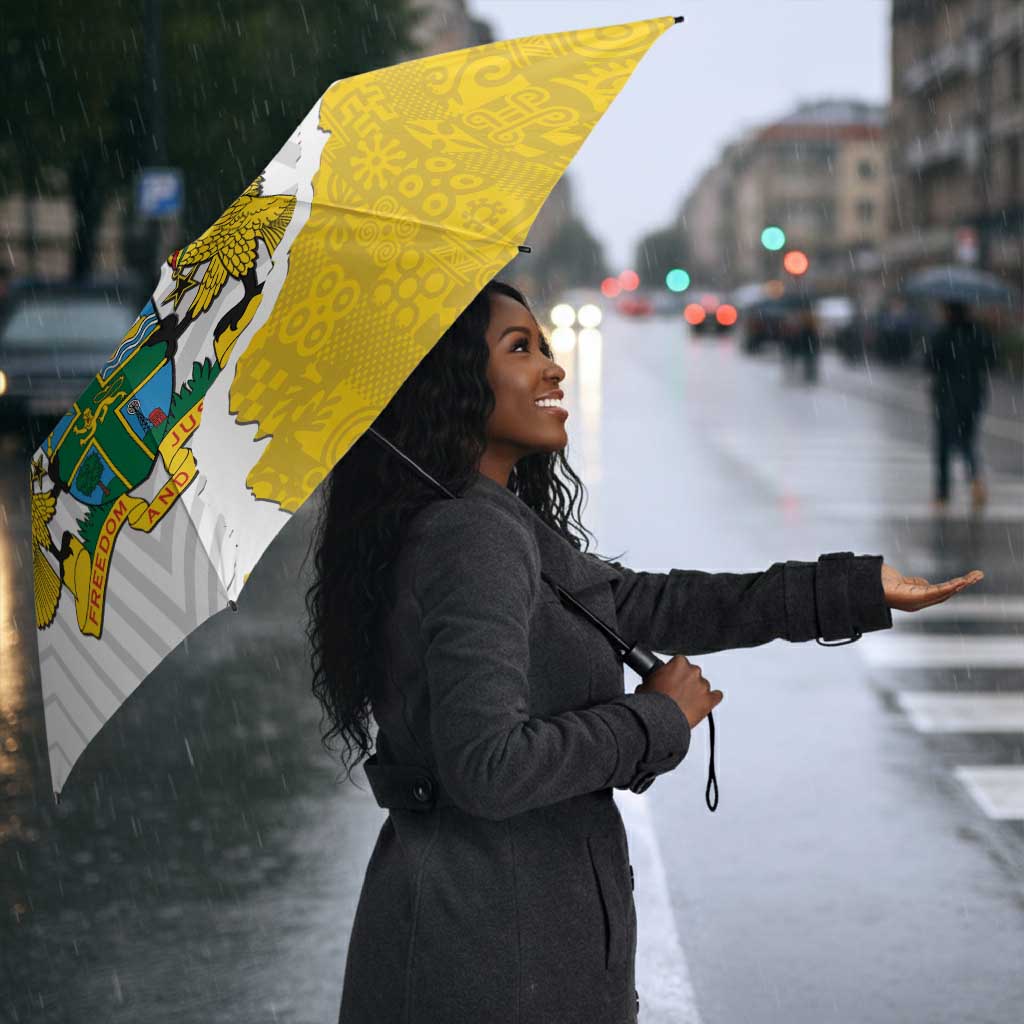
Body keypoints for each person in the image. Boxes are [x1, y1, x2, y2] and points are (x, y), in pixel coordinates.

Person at [310, 279, 982, 1024]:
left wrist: (853, 590)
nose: (553, 367)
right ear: (454, 382)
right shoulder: (475, 536)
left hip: (484, 935)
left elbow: (657, 602)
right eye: (521, 348)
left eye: (544, 345)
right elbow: (488, 768)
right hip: (498, 954)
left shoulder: (487, 521)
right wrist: (656, 719)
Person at [926, 300, 999, 514]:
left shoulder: (943, 334)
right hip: (973, 395)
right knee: (967, 440)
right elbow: (992, 360)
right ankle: (975, 478)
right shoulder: (979, 333)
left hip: (946, 396)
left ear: (948, 311)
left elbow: (929, 362)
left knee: (942, 446)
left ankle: (942, 494)